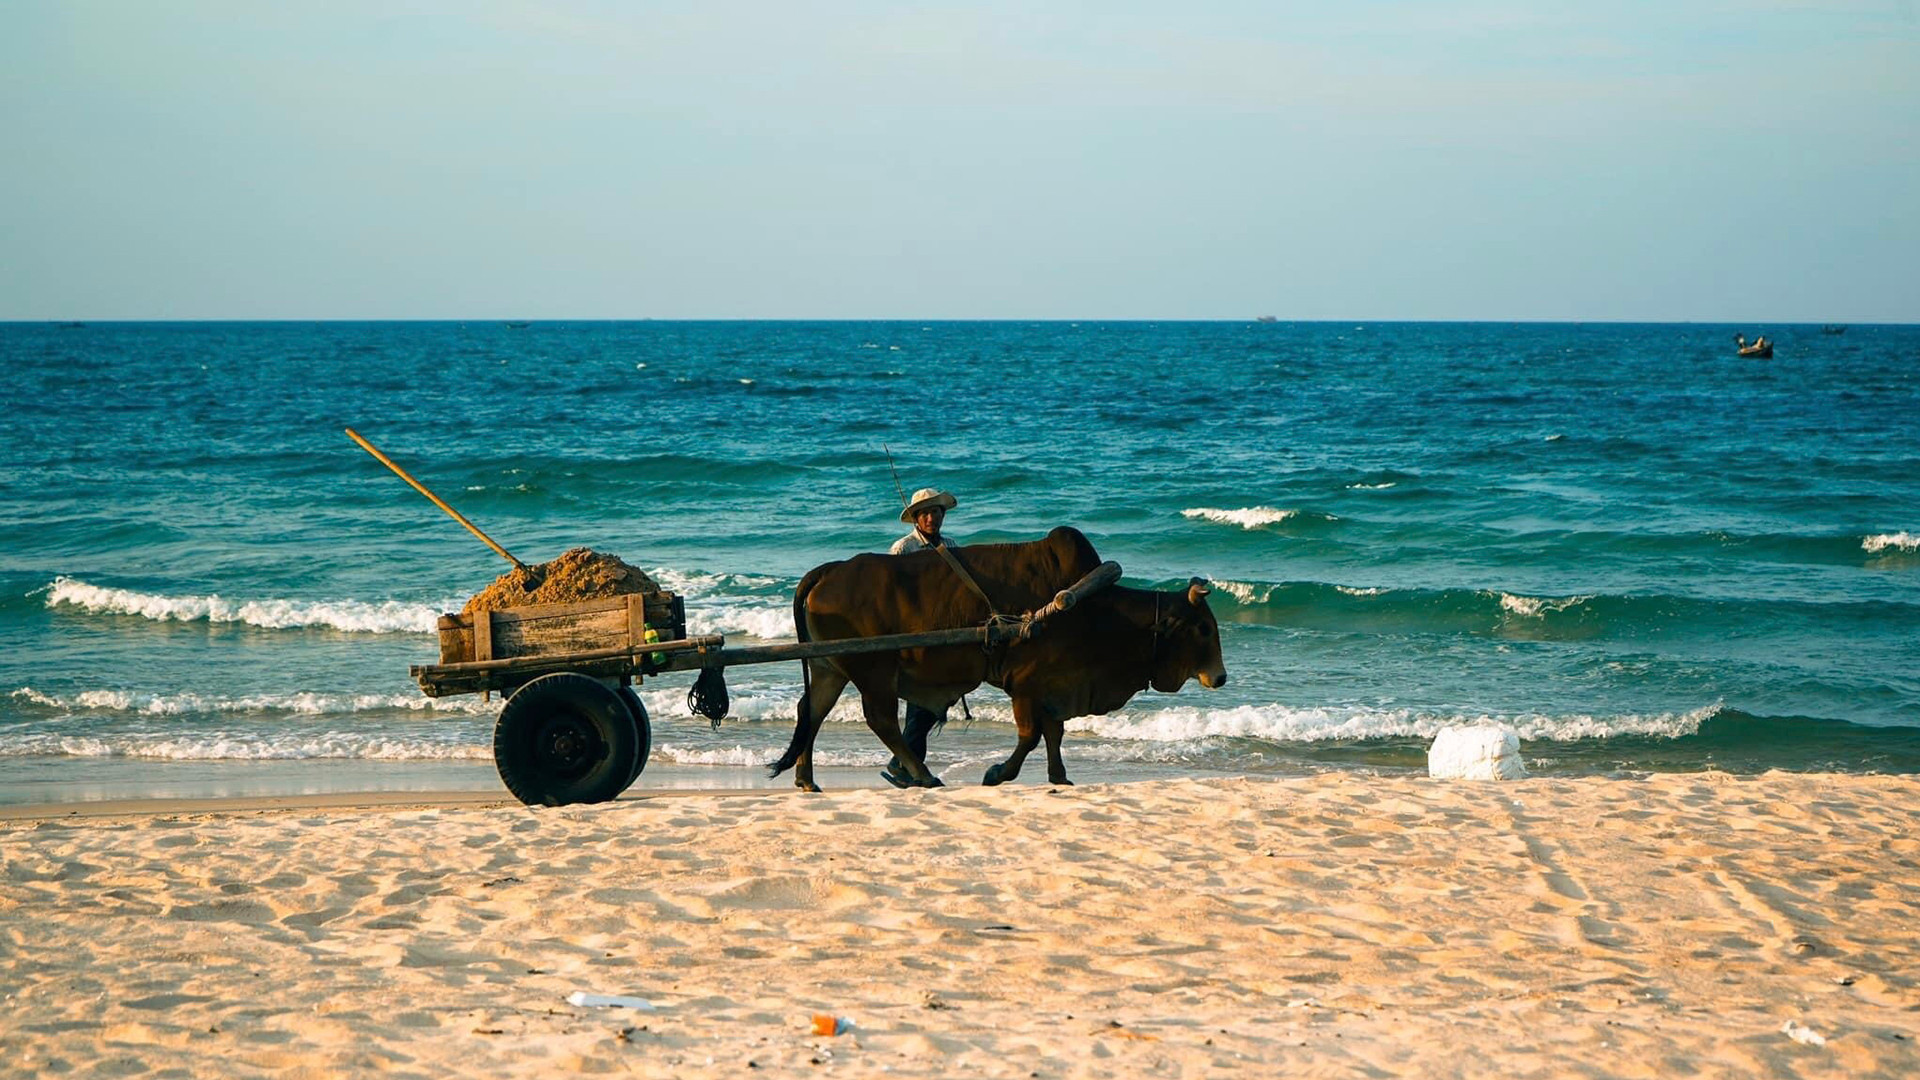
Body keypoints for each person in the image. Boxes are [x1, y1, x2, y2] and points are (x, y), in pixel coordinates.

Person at [885, 487, 959, 787]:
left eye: (936, 512)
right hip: (913, 635)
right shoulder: (903, 549)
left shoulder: (952, 546)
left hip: (945, 634)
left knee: (939, 699)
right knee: (923, 699)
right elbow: (892, 595)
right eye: (925, 513)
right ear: (916, 518)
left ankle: (906, 762)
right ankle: (907, 764)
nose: (932, 518)